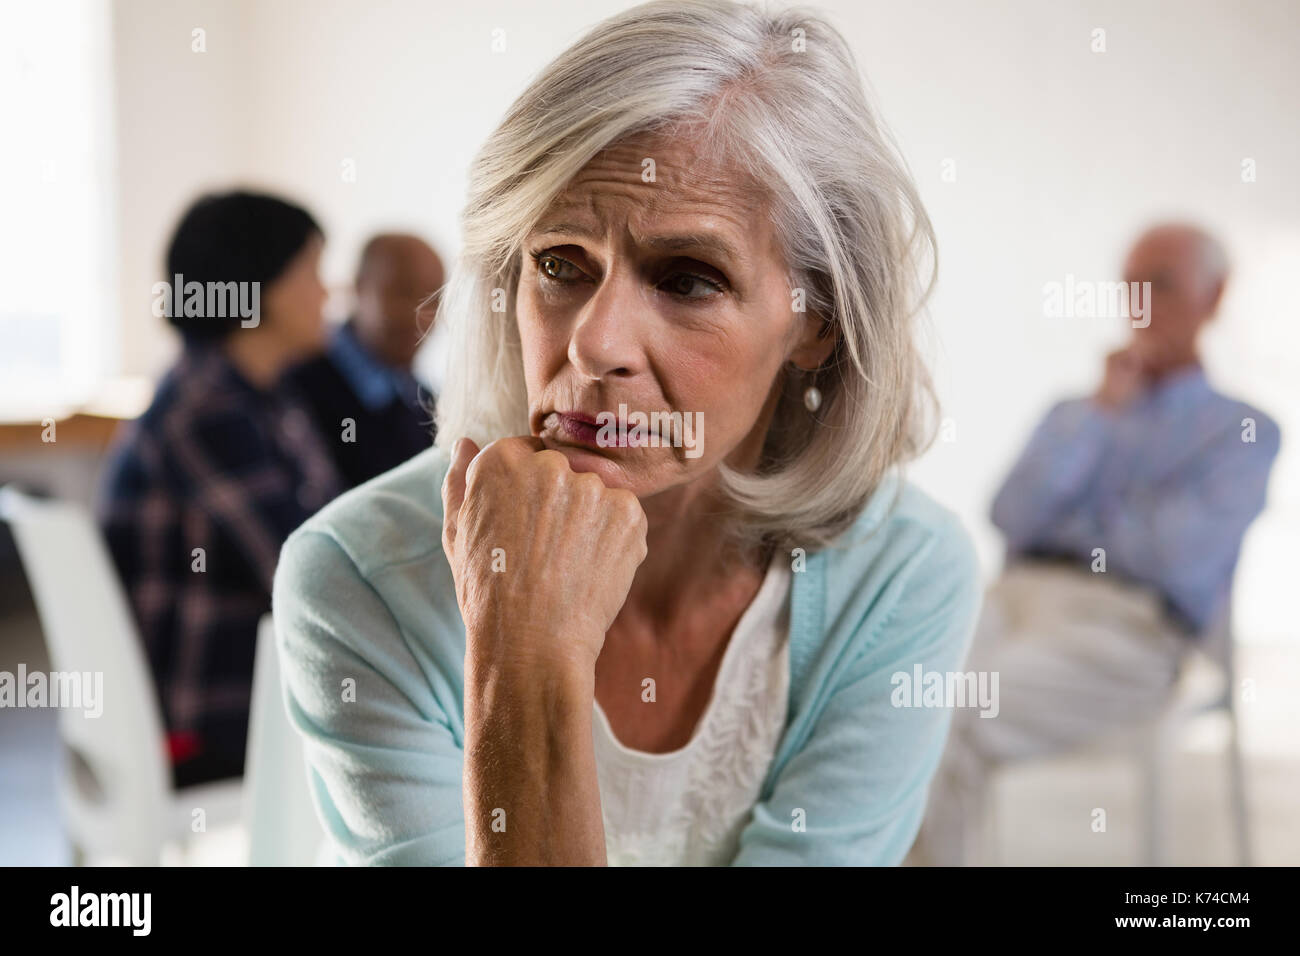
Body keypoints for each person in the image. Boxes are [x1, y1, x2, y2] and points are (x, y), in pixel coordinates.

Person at [272, 0, 982, 866]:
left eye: (687, 280)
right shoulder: (359, 578)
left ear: (816, 323)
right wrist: (524, 646)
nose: (594, 343)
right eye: (560, 264)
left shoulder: (902, 574)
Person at [909, 223, 1282, 866]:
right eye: (1130, 286)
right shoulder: (1075, 414)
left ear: (1213, 296)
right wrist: (1102, 417)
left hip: (1129, 631)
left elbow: (1178, 556)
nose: (1139, 304)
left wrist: (1073, 526)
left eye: (1160, 285)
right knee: (894, 694)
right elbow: (1011, 513)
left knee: (947, 716)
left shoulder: (1242, 429)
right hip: (1011, 601)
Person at [97, 191, 346, 788]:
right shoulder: (207, 410)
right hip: (205, 726)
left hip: (224, 706)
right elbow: (307, 569)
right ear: (257, 285)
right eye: (311, 271)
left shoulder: (255, 394)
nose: (326, 293)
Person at [281, 233, 444, 489]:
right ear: (358, 287)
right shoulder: (293, 384)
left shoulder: (425, 402)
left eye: (433, 299)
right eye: (402, 293)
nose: (420, 314)